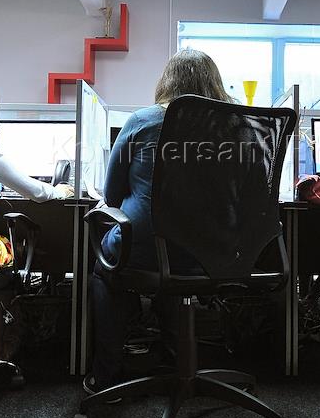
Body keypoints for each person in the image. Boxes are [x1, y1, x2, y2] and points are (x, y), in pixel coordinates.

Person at [85, 49, 231, 395]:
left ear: (167, 82)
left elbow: (112, 195)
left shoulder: (142, 121)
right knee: (173, 263)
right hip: (215, 254)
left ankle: (106, 375)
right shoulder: (234, 127)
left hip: (149, 249)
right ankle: (175, 360)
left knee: (107, 271)